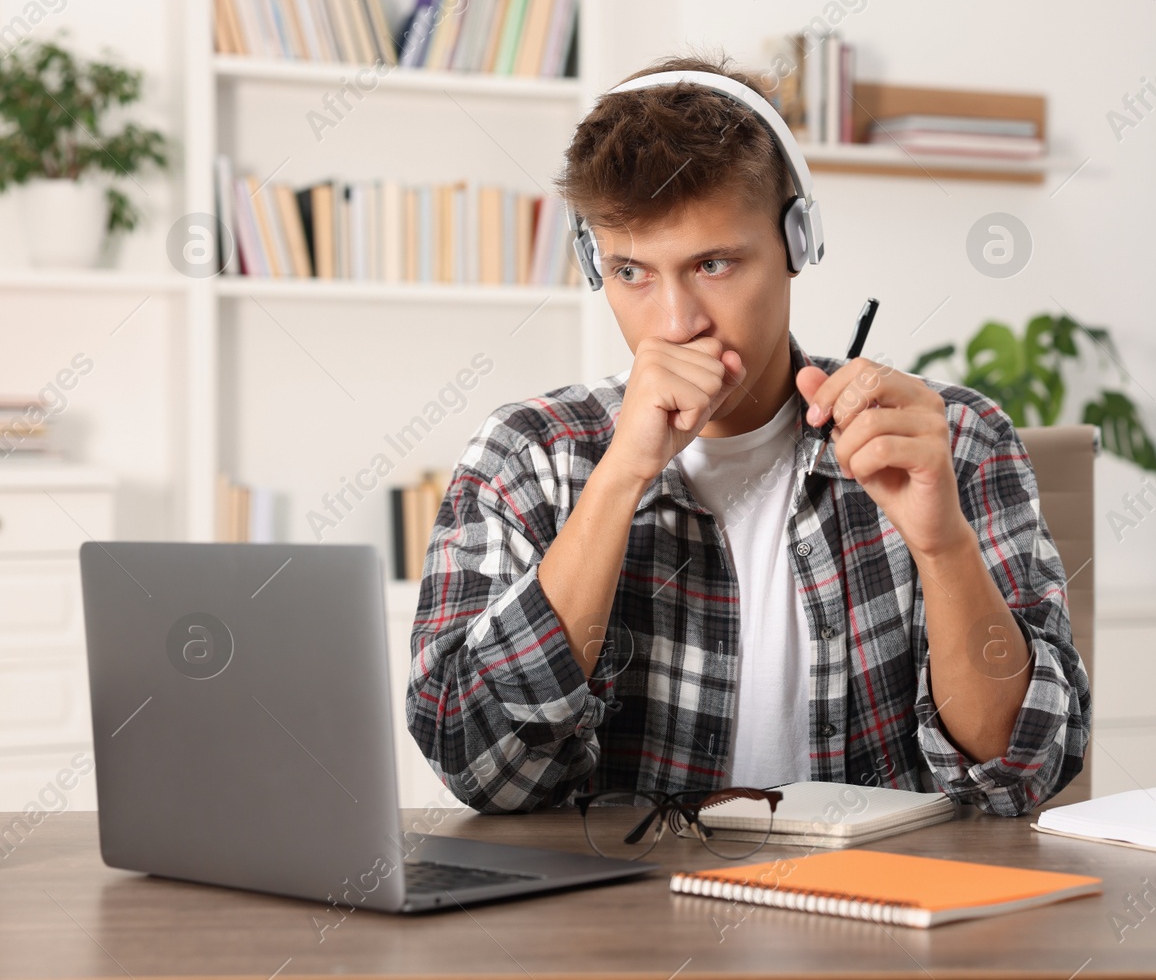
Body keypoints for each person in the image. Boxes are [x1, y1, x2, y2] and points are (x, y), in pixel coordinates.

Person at [405, 54, 1090, 818]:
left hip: (879, 917)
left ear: (798, 244)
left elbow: (1023, 772)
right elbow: (475, 764)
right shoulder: (527, 456)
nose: (675, 323)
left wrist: (943, 546)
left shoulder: (953, 440)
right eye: (631, 272)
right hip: (623, 928)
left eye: (715, 263)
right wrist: (621, 475)